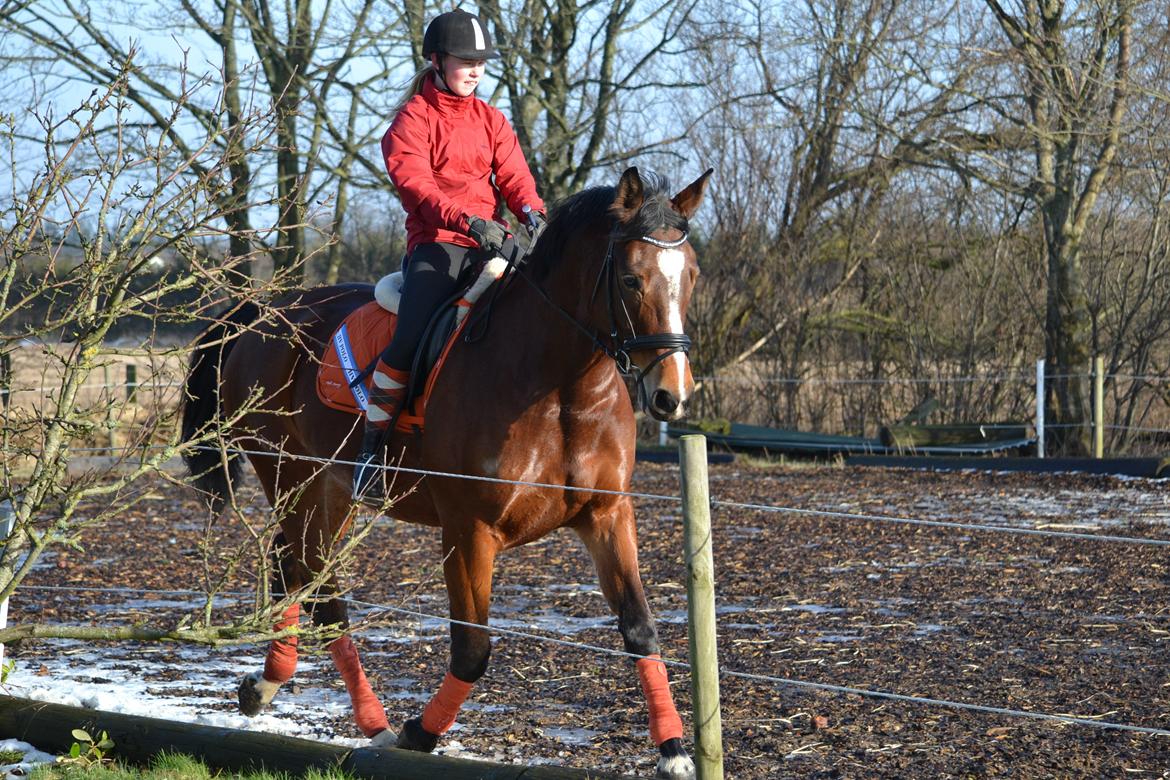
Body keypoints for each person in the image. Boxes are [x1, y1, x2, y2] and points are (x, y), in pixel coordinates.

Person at [354, 8, 546, 497]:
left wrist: (532, 213)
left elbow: (515, 177)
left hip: (491, 243)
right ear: (437, 60)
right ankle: (370, 450)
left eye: (481, 61)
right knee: (412, 334)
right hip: (436, 248)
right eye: (466, 60)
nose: (476, 69)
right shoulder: (411, 120)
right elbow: (415, 184)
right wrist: (468, 221)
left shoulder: (491, 119)